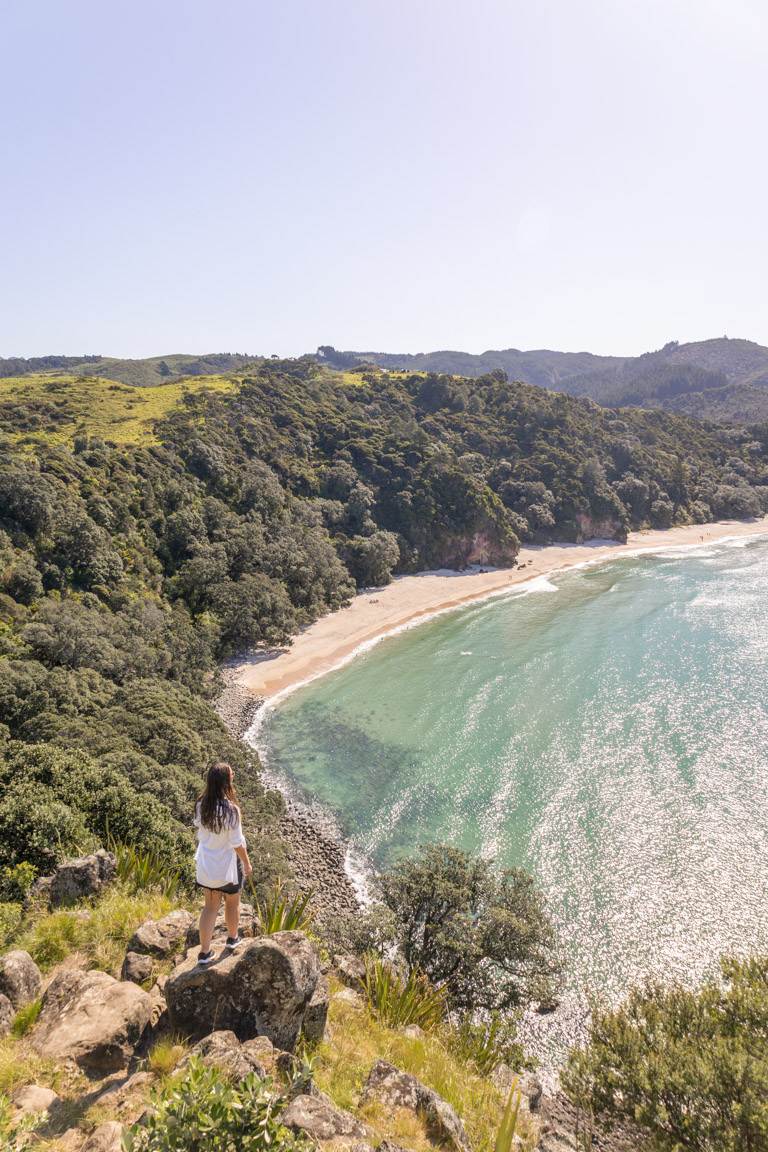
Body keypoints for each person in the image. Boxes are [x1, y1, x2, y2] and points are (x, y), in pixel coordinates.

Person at [194, 761, 253, 965]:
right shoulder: (232, 810)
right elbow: (237, 843)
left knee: (210, 907)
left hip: (205, 864)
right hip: (227, 866)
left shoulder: (201, 805)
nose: (234, 775)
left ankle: (204, 952)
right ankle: (232, 938)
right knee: (232, 902)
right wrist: (246, 863)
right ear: (225, 781)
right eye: (231, 773)